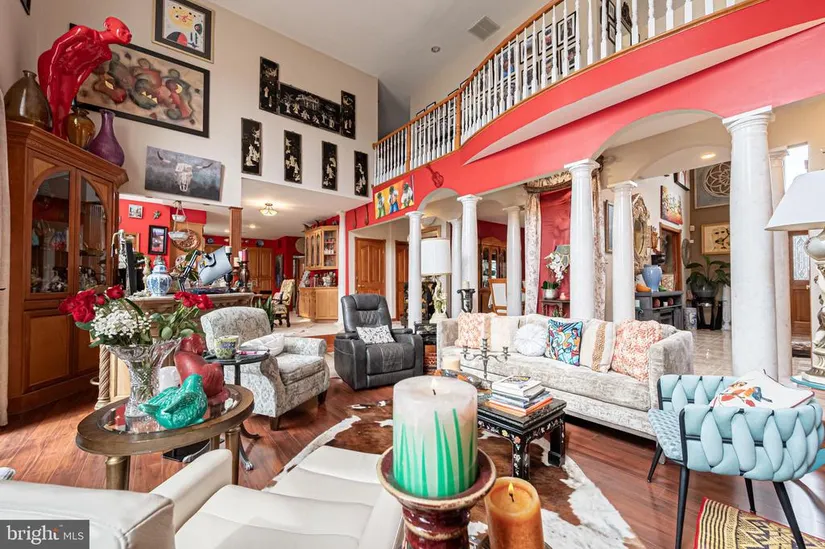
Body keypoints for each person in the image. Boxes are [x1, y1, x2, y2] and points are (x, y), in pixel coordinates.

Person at [38, 17, 132, 139]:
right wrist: (51, 66)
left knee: (64, 106)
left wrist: (77, 84)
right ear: (108, 26)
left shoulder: (106, 54)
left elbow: (87, 68)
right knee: (51, 100)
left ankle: (59, 136)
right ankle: (47, 133)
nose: (128, 34)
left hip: (70, 74)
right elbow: (59, 44)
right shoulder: (84, 32)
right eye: (123, 29)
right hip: (53, 62)